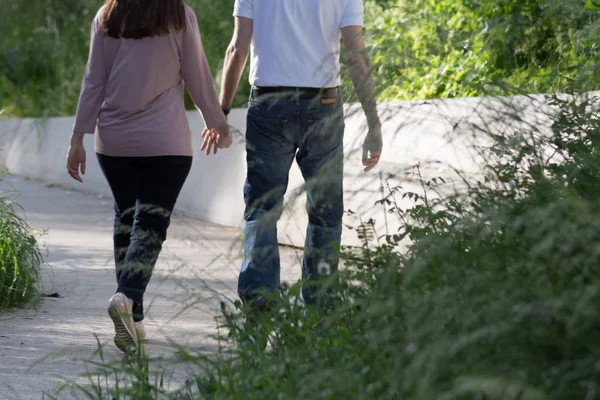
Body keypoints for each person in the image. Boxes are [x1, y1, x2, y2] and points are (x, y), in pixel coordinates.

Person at [66, 0, 232, 352]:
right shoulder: (177, 13)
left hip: (113, 143)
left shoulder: (107, 15)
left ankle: (134, 321)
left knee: (126, 221)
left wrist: (77, 137)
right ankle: (126, 298)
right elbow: (197, 75)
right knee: (150, 226)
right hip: (164, 142)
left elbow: (93, 80)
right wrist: (218, 124)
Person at [207, 0, 383, 310]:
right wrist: (373, 121)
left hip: (269, 105)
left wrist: (221, 113)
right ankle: (320, 308)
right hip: (324, 107)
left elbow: (238, 50)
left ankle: (260, 297)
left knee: (262, 207)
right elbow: (357, 55)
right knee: (325, 213)